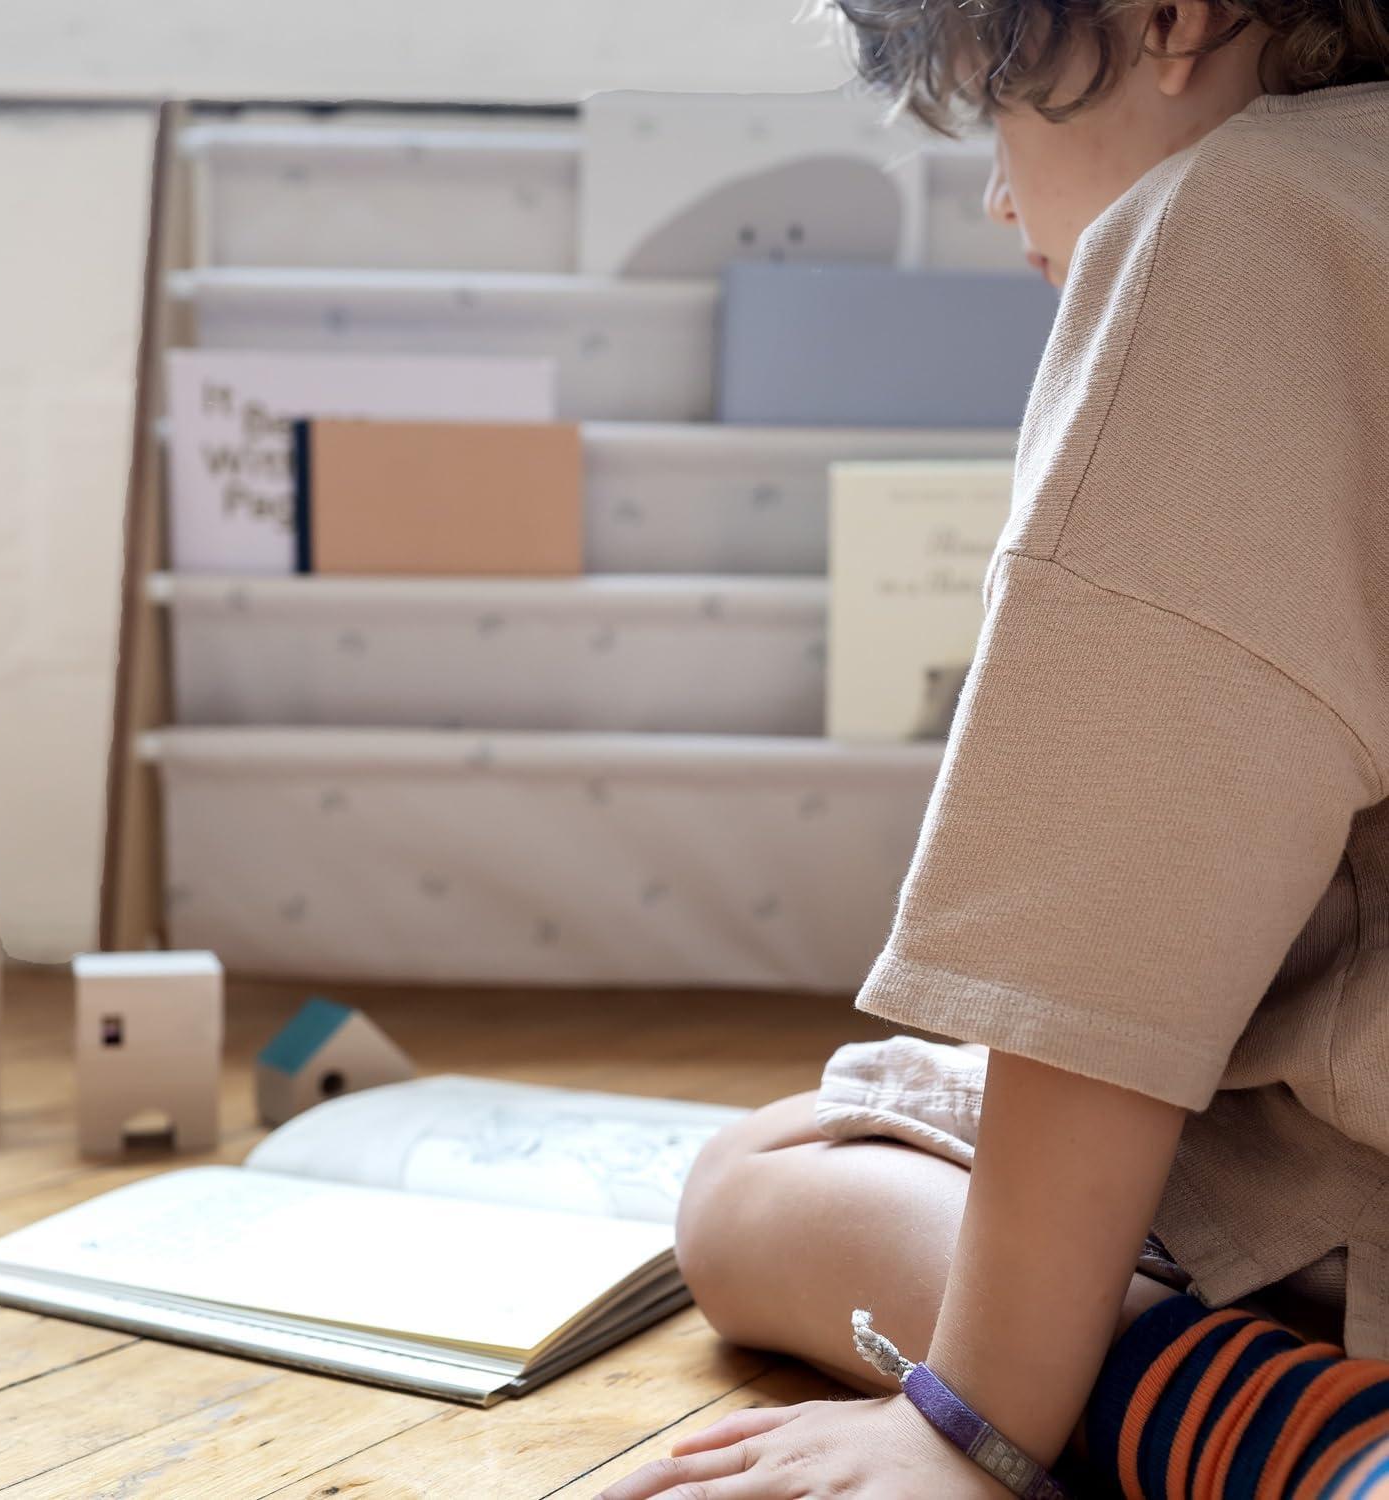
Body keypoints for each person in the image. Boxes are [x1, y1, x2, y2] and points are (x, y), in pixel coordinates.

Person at [594, 0, 1389, 1496]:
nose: (998, 197)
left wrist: (966, 1418)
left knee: (756, 1192)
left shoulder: (1241, 225)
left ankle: (1316, 1448)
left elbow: (1100, 934)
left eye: (1004, 118)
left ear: (1173, 18)